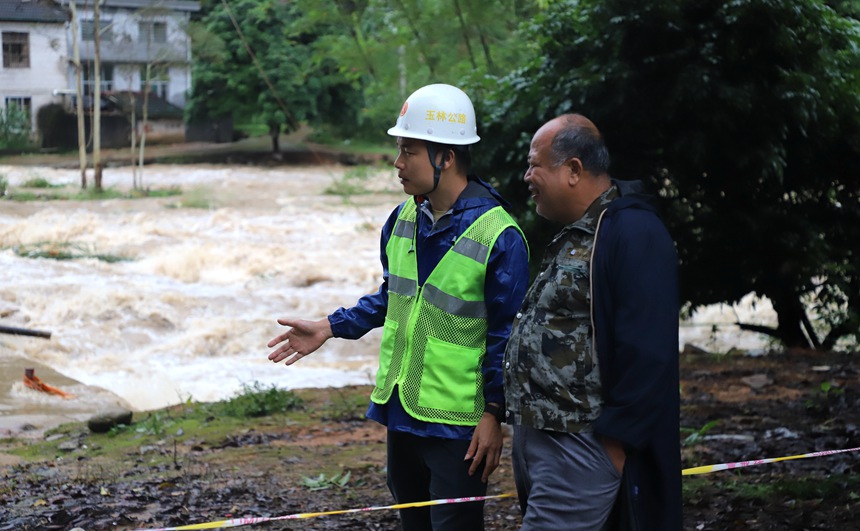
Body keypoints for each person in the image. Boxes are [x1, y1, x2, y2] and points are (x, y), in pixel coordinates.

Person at [267, 83, 530, 531]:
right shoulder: (402, 219)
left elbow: (507, 336)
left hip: (459, 427)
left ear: (445, 157)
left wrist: (494, 414)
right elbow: (394, 296)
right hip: (403, 412)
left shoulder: (499, 236)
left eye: (409, 150)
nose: (397, 163)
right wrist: (330, 327)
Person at [503, 114, 681, 530]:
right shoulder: (580, 231)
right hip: (542, 440)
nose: (527, 175)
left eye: (535, 165)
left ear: (574, 170)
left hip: (583, 444)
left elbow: (649, 350)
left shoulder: (634, 232)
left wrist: (615, 444)